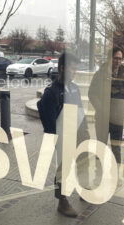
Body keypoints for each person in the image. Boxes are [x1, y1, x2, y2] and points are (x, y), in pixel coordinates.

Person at [37, 51, 89, 218]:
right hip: (63, 135)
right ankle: (63, 201)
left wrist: (85, 131)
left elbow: (80, 110)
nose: (74, 72)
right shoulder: (52, 92)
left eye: (76, 69)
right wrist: (53, 138)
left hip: (77, 132)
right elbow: (47, 117)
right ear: (62, 68)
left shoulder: (73, 88)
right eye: (72, 69)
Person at [88, 47, 124, 162]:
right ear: (109, 58)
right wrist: (101, 108)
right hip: (102, 117)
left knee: (116, 149)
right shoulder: (100, 74)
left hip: (117, 118)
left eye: (120, 59)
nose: (118, 61)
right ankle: (99, 176)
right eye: (115, 58)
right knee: (100, 148)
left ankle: (115, 175)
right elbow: (92, 93)